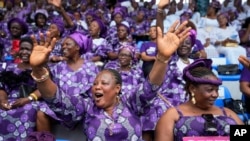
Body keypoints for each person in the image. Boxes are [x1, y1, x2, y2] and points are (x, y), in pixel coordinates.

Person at [28, 14, 191, 140]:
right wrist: (38, 69)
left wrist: (162, 58)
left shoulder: (131, 103)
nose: (96, 87)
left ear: (117, 88)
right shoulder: (87, 107)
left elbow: (150, 88)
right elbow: (57, 99)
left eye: (103, 83)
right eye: (95, 84)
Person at [155, 58, 244, 141]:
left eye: (217, 90)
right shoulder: (172, 116)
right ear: (192, 88)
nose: (215, 95)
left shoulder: (228, 113)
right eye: (210, 90)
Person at [0, 37, 57, 140]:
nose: (24, 52)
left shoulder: (40, 68)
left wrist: (28, 99)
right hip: (11, 101)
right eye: (22, 49)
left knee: (28, 110)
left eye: (27, 49)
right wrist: (3, 100)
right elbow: (2, 87)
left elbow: (45, 88)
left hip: (32, 100)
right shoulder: (10, 67)